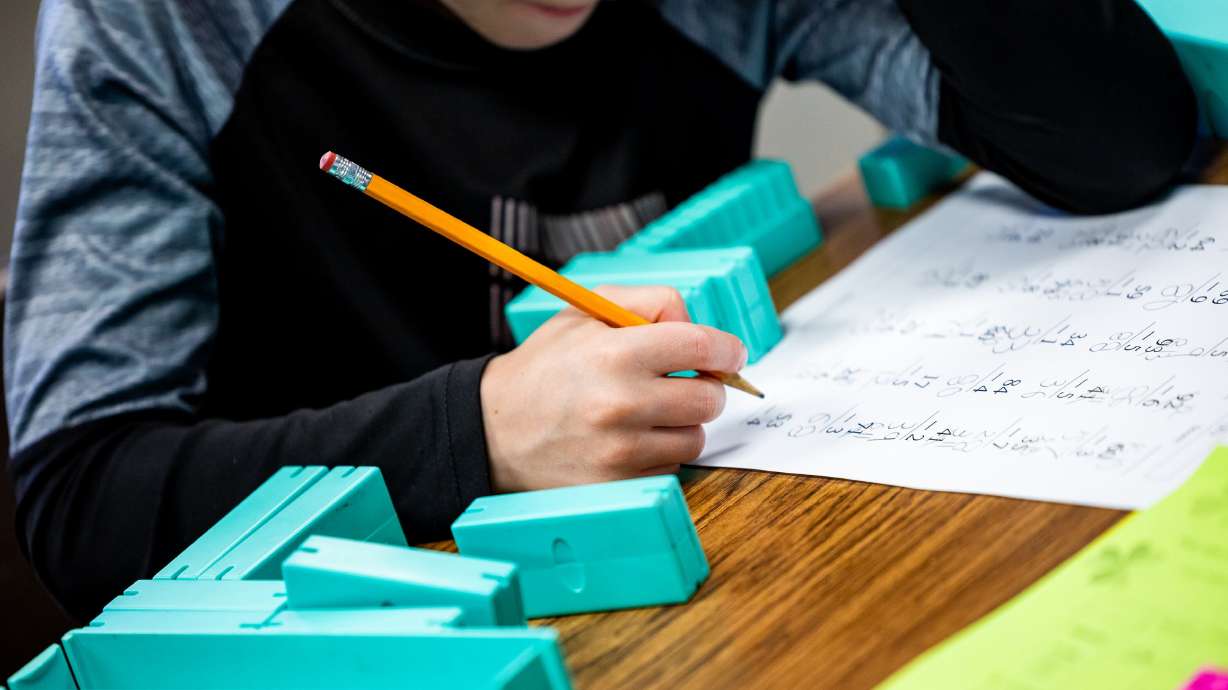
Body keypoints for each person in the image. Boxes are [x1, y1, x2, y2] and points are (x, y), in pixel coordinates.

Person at [6, 0, 1196, 620]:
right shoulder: (162, 26)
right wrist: (478, 434)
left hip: (706, 571)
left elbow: (1118, 146)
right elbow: (80, 503)